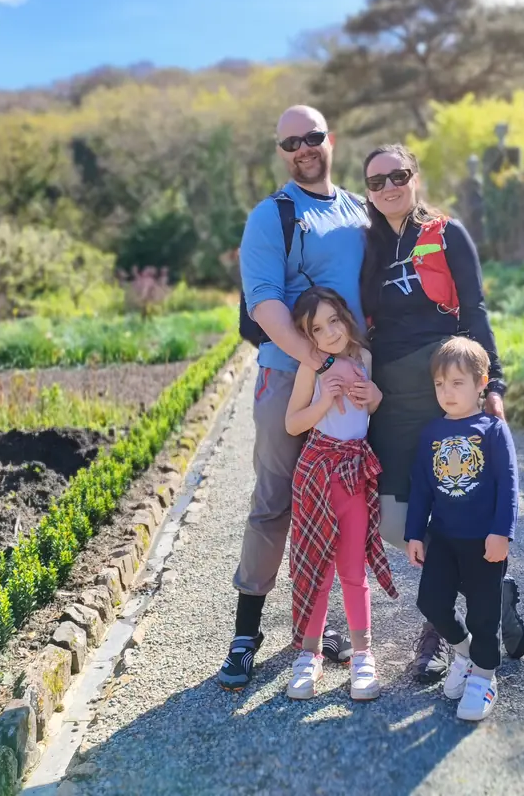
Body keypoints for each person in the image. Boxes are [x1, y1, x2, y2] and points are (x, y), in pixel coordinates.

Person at [359, 143, 524, 682]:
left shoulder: (447, 233)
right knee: (394, 519)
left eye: (398, 175)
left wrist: (492, 381)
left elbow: (474, 308)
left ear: (415, 177)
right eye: (376, 179)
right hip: (391, 404)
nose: (388, 186)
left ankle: (441, 640)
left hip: (443, 393)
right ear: (366, 189)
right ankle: (487, 588)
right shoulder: (366, 246)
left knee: (462, 502)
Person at [218, 105, 368, 690]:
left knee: (338, 500)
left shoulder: (360, 209)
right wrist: (318, 361)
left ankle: (315, 625)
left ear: (331, 139)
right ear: (281, 151)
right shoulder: (271, 217)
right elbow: (264, 301)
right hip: (288, 377)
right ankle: (245, 632)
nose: (303, 148)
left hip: (350, 382)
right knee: (275, 500)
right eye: (290, 142)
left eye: (312, 137)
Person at [283, 286, 397, 701]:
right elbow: (293, 423)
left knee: (352, 566)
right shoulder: (310, 369)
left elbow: (369, 409)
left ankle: (362, 656)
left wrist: (375, 396)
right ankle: (308, 656)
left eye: (334, 320)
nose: (330, 332)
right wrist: (324, 400)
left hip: (354, 473)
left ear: (346, 318)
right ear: (308, 337)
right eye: (318, 328)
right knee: (316, 567)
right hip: (317, 473)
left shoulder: (364, 360)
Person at [405, 336, 519, 721]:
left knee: (483, 612)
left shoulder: (493, 429)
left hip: (484, 540)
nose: (447, 392)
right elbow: (421, 486)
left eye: (457, 383)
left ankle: (484, 677)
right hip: (445, 538)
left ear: (480, 382)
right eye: (440, 384)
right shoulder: (431, 433)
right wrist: (415, 533)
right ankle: (466, 651)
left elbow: (508, 483)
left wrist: (502, 531)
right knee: (431, 602)